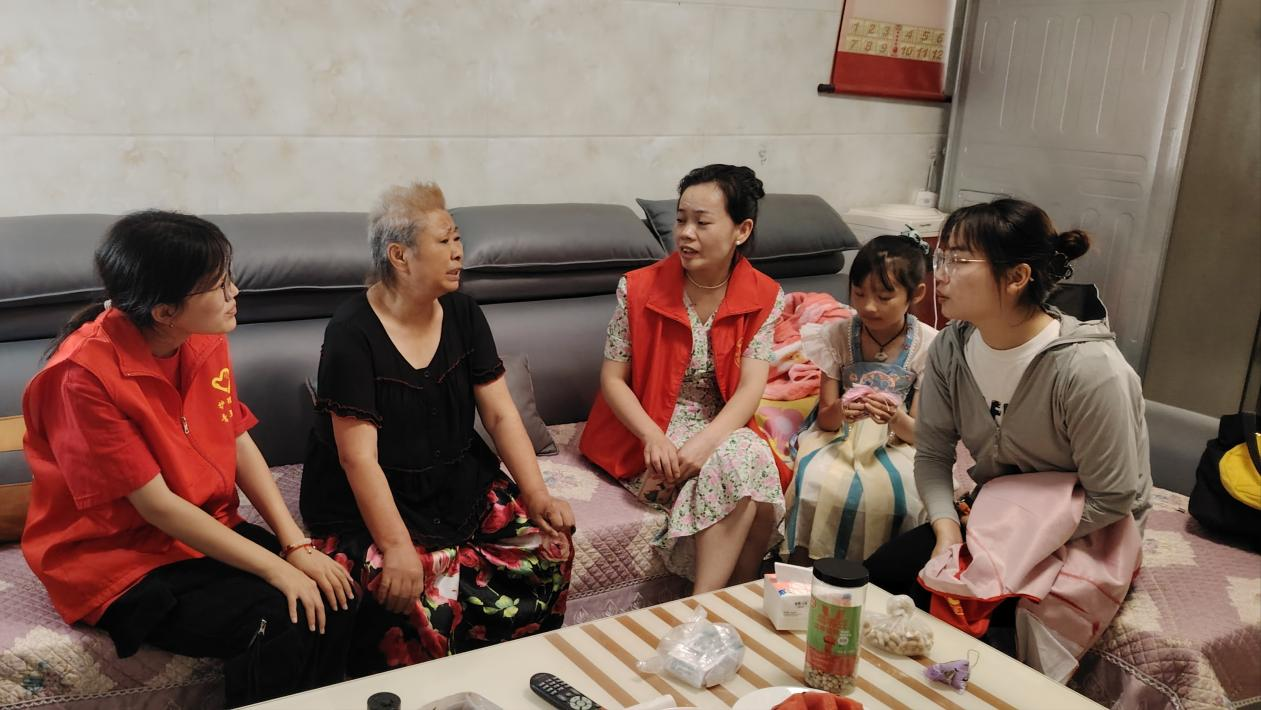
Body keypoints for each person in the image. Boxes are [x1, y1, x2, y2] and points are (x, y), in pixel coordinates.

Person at [21, 211, 356, 707]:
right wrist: (275, 569)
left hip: (199, 530)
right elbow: (156, 506)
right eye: (219, 286)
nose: (235, 292)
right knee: (281, 619)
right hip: (118, 559)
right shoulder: (81, 377)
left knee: (337, 597)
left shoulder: (201, 336)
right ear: (164, 312)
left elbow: (235, 436)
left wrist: (295, 545)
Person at [300, 182, 575, 677]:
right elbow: (357, 458)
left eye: (458, 238)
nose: (458, 252)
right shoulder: (350, 333)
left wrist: (537, 494)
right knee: (405, 588)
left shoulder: (464, 312)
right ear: (400, 256)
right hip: (374, 496)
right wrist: (397, 547)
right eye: (445, 241)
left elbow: (499, 414)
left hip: (454, 480)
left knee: (550, 547)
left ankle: (511, 675)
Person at [865, 198, 1152, 635]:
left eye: (959, 261)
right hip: (994, 513)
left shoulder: (1089, 370)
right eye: (941, 258)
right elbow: (934, 454)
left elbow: (1113, 498)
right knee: (875, 581)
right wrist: (947, 532)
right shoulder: (950, 349)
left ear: (1017, 277)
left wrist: (1011, 535)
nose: (940, 274)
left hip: (1086, 529)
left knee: (978, 631)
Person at [581, 164, 790, 594]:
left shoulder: (765, 295)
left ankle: (706, 605)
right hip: (646, 427)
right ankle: (719, 603)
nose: (686, 234)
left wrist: (707, 442)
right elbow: (613, 379)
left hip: (720, 426)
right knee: (750, 471)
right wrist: (653, 437)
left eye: (702, 222)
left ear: (742, 230)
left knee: (744, 458)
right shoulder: (638, 288)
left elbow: (751, 387)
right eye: (681, 220)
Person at [785, 233, 939, 563]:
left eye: (884, 296)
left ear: (916, 294)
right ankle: (805, 565)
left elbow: (918, 433)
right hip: (838, 431)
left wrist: (894, 417)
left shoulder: (928, 344)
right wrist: (842, 409)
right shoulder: (836, 336)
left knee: (900, 492)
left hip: (896, 438)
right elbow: (826, 419)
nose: (868, 306)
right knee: (814, 478)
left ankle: (878, 570)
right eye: (858, 293)